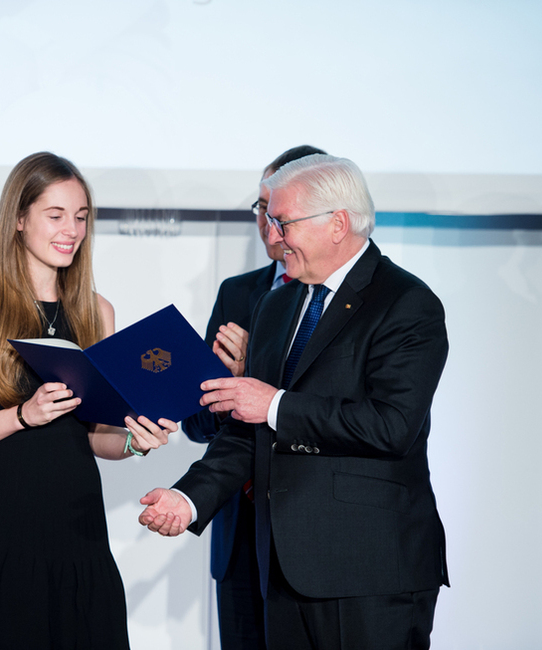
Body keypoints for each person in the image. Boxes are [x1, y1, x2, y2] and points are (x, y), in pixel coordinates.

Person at [140, 155, 449, 649]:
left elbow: (392, 426)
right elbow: (246, 423)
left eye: (283, 221)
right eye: (268, 219)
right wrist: (189, 497)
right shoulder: (277, 304)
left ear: (338, 224)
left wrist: (277, 405)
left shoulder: (407, 303)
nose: (273, 235)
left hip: (371, 576)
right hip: (282, 572)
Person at [0, 151, 178, 649]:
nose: (71, 229)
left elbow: (99, 439)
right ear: (20, 220)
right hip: (11, 525)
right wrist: (23, 415)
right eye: (56, 215)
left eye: (81, 217)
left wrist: (136, 442)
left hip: (81, 527)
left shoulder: (98, 311)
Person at [182, 145, 325, 650]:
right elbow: (194, 424)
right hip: (239, 530)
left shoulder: (347, 300)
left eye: (280, 210)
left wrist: (257, 378)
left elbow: (335, 412)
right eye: (262, 208)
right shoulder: (237, 294)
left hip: (310, 531)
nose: (269, 223)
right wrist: (220, 390)